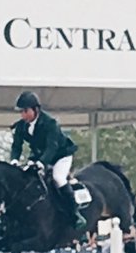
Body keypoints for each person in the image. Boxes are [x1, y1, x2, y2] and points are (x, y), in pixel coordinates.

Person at [10, 91, 84, 230]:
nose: (23, 115)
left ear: (36, 109)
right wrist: (14, 160)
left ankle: (75, 213)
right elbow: (16, 146)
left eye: (25, 111)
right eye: (21, 112)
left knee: (58, 178)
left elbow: (52, 147)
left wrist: (41, 163)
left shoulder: (50, 123)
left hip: (61, 155)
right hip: (40, 155)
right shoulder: (21, 126)